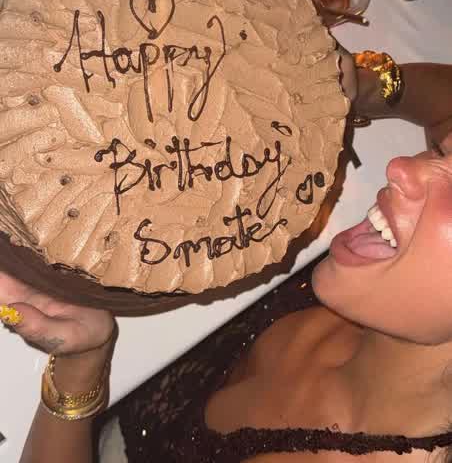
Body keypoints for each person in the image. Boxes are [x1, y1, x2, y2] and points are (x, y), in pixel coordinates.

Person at [1, 52, 452, 463]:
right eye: (442, 150)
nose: (402, 166)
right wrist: (369, 87)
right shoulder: (388, 289)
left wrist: (79, 377)